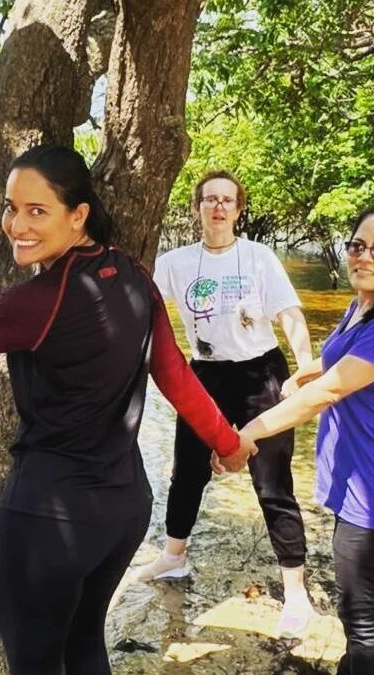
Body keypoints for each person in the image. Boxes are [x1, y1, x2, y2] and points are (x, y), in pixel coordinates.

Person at [0, 145, 253, 675]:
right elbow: (176, 376)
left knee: (36, 664)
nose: (16, 224)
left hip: (49, 518)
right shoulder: (133, 275)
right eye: (9, 207)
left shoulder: (42, 298)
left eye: (36, 210)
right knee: (85, 645)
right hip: (124, 510)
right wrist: (227, 444)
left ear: (79, 214)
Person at [233, 205, 374, 673]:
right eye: (358, 246)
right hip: (359, 479)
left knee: (362, 622)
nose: (365, 257)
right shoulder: (365, 303)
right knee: (362, 606)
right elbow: (338, 363)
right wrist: (305, 370)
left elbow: (329, 393)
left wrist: (245, 435)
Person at [135, 170, 315, 637]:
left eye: (227, 201)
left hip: (261, 373)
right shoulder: (175, 263)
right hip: (206, 375)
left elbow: (288, 313)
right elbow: (139, 310)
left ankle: (295, 590)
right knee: (187, 470)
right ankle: (174, 555)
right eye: (210, 199)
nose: (218, 207)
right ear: (196, 208)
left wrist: (306, 365)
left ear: (238, 210)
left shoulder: (258, 257)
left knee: (272, 481)